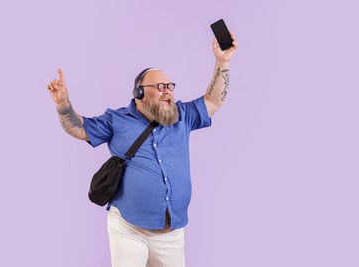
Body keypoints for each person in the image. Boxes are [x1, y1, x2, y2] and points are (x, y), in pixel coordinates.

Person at [47, 32, 237, 267]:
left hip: (171, 232)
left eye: (169, 85)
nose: (168, 90)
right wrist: (63, 105)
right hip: (128, 229)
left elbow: (214, 101)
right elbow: (79, 129)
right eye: (160, 86)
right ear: (139, 94)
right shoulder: (116, 120)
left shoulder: (182, 116)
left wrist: (223, 61)